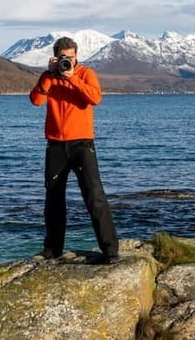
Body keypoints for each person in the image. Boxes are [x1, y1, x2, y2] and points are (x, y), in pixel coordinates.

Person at [29, 36, 119, 264]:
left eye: (70, 57)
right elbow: (36, 101)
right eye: (62, 58)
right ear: (55, 57)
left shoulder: (86, 74)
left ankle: (110, 251)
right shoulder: (48, 76)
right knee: (54, 200)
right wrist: (49, 76)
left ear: (76, 56)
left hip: (82, 144)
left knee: (95, 197)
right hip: (56, 145)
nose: (66, 61)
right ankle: (52, 250)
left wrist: (71, 78)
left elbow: (95, 98)